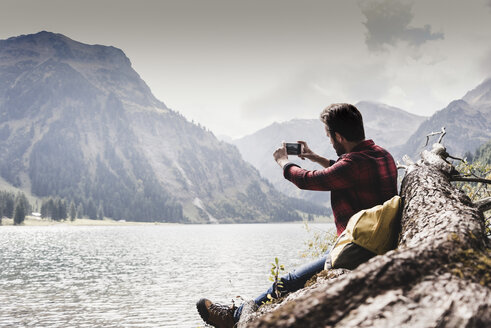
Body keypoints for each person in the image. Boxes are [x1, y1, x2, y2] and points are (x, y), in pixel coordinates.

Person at [196, 103, 398, 328]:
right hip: (375, 240)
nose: (330, 142)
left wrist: (283, 162)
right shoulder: (382, 155)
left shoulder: (353, 164)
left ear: (338, 137)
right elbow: (341, 171)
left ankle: (234, 317)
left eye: (329, 137)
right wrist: (313, 156)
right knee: (301, 274)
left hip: (359, 248)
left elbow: (309, 180)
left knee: (289, 281)